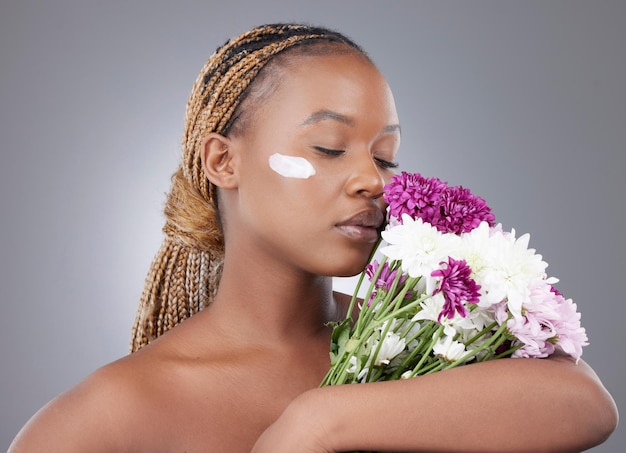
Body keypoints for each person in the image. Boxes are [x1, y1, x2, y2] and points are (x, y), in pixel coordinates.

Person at [9, 23, 617, 453]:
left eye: (386, 159)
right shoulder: (113, 413)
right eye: (328, 148)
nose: (369, 182)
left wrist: (322, 419)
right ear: (223, 161)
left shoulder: (417, 343)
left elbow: (586, 406)